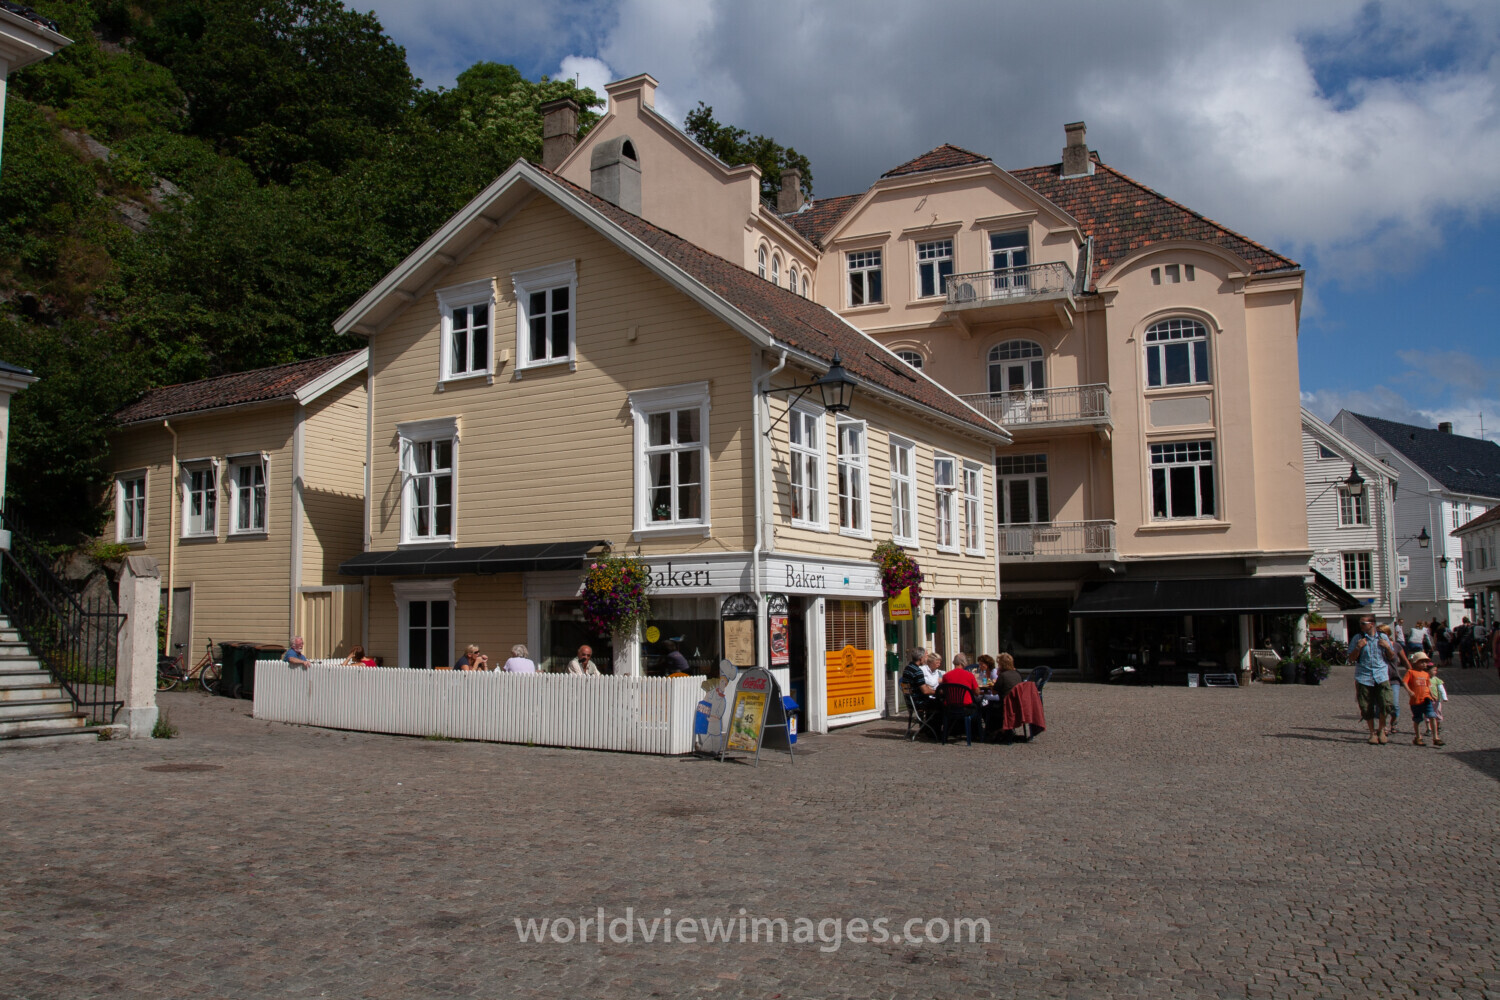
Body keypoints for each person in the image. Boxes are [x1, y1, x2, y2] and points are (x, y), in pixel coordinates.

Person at [1347, 615, 1397, 745]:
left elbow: (1392, 657)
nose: (1361, 626)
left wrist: (1387, 647)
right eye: (1361, 623)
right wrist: (1358, 648)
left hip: (1381, 675)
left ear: (1372, 624)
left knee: (1386, 703)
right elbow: (1351, 659)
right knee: (1366, 706)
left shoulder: (1383, 637)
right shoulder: (1358, 638)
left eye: (1364, 623)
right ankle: (1372, 733)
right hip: (1364, 676)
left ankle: (1381, 729)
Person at [1401, 651, 1440, 746]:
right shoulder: (1411, 672)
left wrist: (1432, 694)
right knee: (1417, 720)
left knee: (1432, 716)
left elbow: (1428, 685)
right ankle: (1418, 737)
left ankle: (1436, 737)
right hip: (1415, 701)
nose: (1424, 664)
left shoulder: (1426, 674)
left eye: (1425, 662)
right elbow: (1404, 682)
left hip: (1426, 699)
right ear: (1415, 663)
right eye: (1421, 662)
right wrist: (1409, 691)